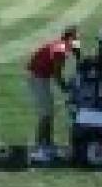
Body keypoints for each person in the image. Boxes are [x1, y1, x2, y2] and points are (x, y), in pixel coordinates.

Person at [26, 26, 80, 164]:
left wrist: (76, 53)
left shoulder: (61, 46)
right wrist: (65, 88)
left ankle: (48, 145)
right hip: (38, 78)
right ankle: (38, 149)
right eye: (76, 38)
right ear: (70, 38)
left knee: (49, 113)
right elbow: (56, 73)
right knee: (45, 114)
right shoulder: (61, 49)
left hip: (40, 77)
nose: (78, 41)